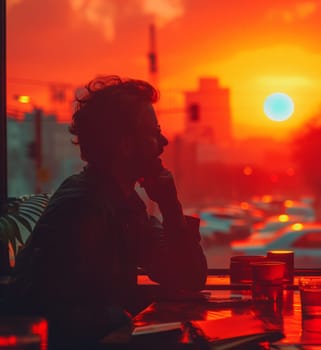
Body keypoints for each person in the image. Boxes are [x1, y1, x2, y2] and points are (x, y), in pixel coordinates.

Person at [8, 76, 208, 345]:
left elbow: (188, 276)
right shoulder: (82, 208)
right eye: (153, 131)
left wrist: (171, 207)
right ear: (125, 145)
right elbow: (69, 321)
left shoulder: (122, 203)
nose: (163, 141)